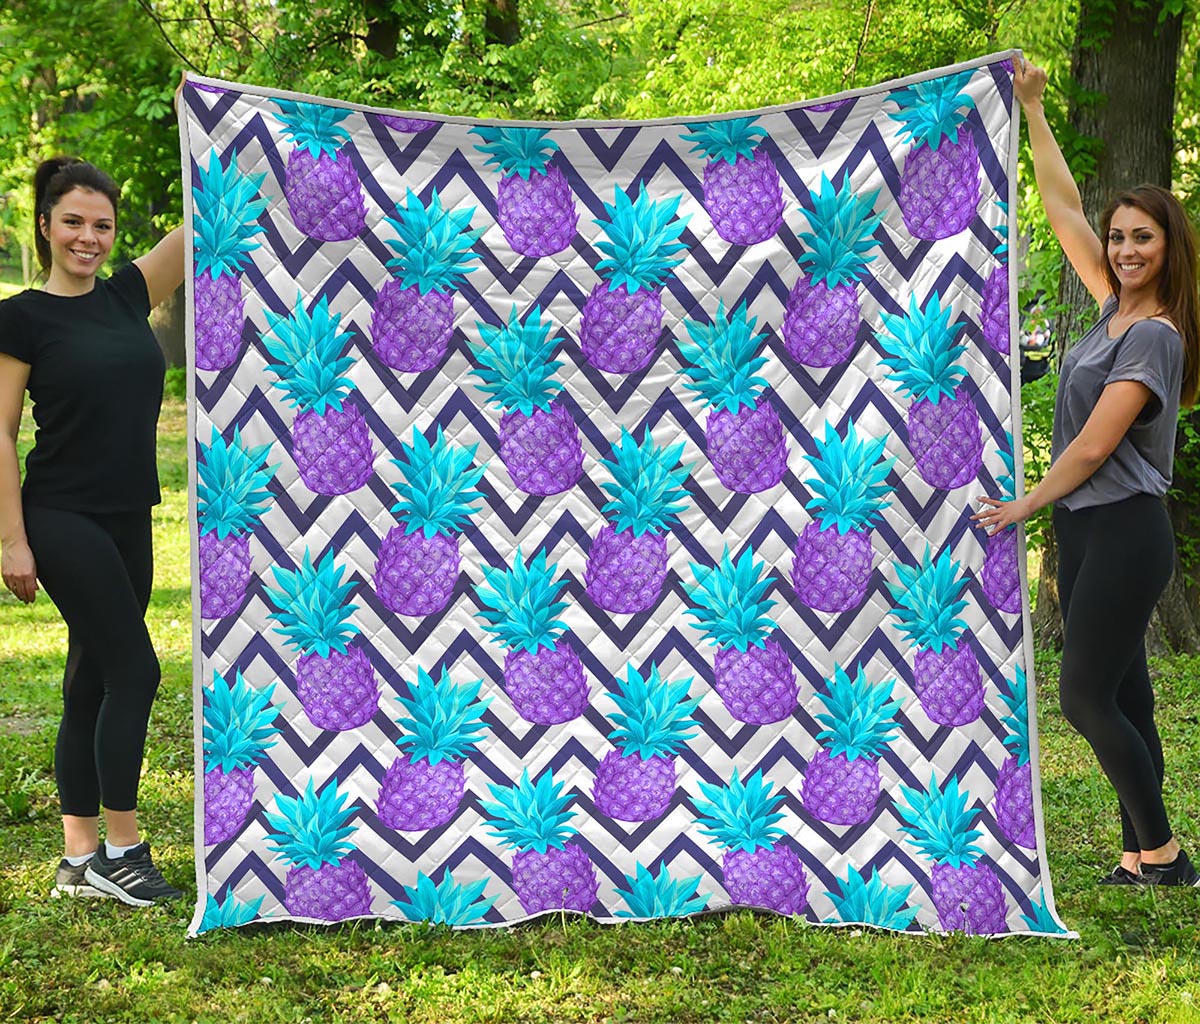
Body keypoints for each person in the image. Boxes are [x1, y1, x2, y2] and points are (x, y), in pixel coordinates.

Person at [974, 58, 1200, 886]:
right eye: (1120, 237)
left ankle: (1166, 856)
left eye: (1143, 237)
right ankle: (1142, 854)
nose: (1125, 248)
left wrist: (1026, 504)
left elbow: (1097, 445)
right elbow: (1065, 209)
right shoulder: (1113, 309)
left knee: (1082, 698)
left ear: (1170, 248)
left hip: (1126, 531)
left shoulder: (1157, 336)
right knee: (1127, 697)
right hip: (1087, 529)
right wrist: (1034, 109)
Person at [0, 157, 185, 905]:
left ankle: (79, 859)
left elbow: (205, 216)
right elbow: (2, 430)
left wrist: (243, 128)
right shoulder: (21, 316)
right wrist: (12, 540)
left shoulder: (127, 294)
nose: (88, 237)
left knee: (90, 678)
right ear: (45, 225)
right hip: (60, 514)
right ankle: (123, 851)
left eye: (102, 225)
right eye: (73, 222)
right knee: (136, 671)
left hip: (128, 514)